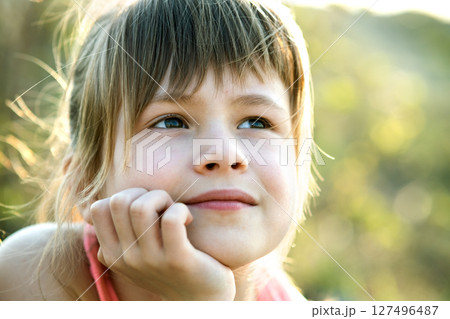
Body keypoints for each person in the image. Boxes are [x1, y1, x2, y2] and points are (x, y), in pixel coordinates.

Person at [0, 0, 319, 300]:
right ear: (85, 182)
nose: (223, 154)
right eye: (171, 122)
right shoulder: (36, 274)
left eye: (257, 122)